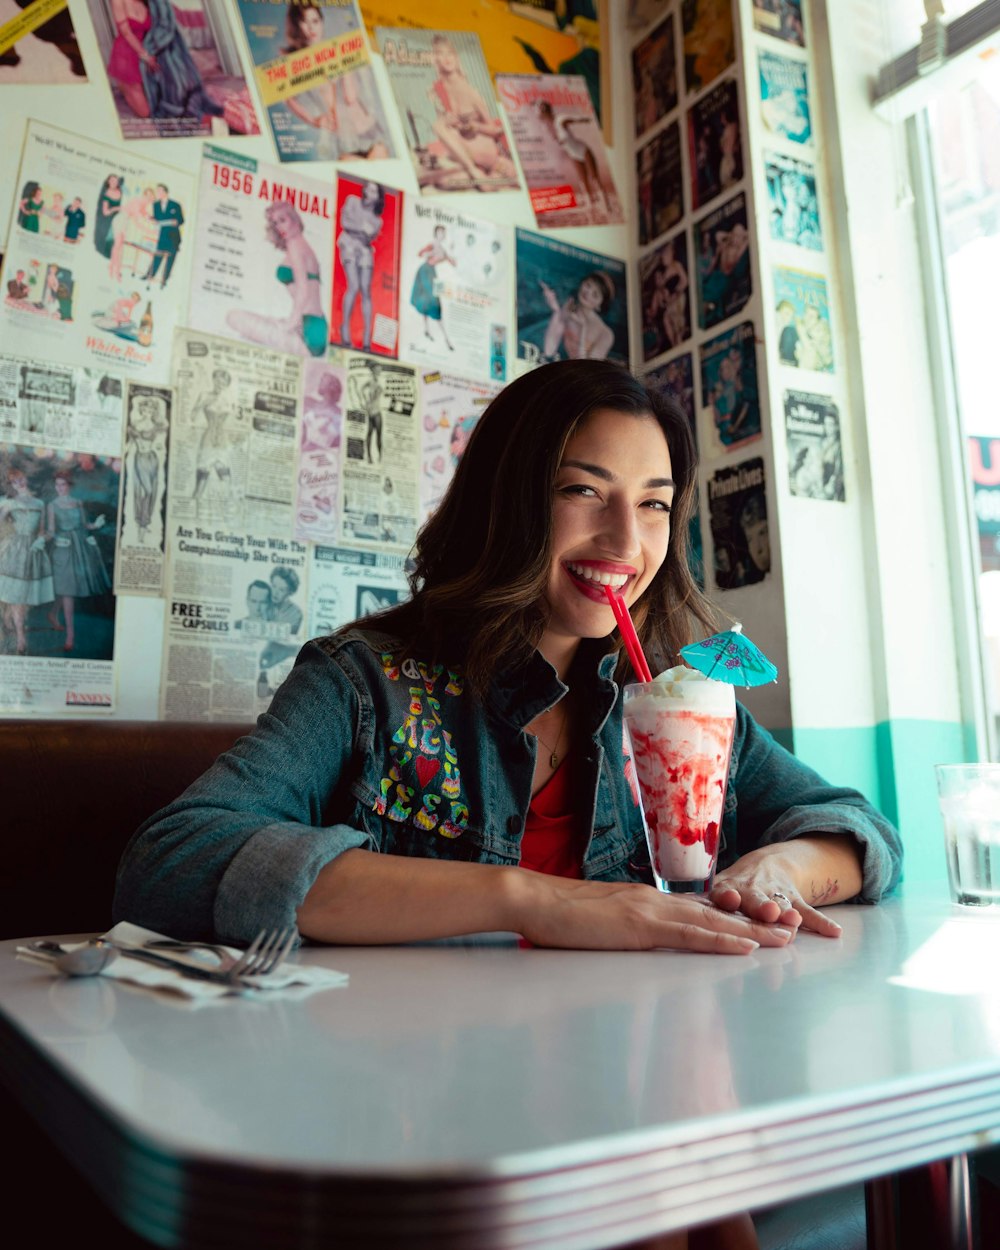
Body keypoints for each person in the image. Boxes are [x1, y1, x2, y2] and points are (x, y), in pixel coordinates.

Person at [116, 358, 901, 948]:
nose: (628, 541)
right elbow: (171, 861)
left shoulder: (669, 701)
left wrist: (779, 871)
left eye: (654, 504)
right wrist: (527, 899)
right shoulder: (365, 684)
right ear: (508, 500)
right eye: (583, 491)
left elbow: (858, 829)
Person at [282, 4, 388, 160]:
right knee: (352, 181)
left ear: (322, 22)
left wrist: (343, 68)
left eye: (315, 21)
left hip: (368, 130)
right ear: (297, 25)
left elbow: (350, 98)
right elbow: (287, 97)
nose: (311, 28)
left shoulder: (337, 51)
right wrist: (314, 120)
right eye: (304, 22)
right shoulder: (297, 62)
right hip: (342, 141)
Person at [226, 202, 328, 358]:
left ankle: (288, 330)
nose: (280, 227)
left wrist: (289, 325)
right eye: (275, 223)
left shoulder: (295, 246)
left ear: (294, 219)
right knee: (244, 319)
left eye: (283, 220)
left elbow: (304, 291)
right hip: (313, 328)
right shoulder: (301, 245)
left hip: (308, 334)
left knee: (234, 317)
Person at [425, 34, 516, 189]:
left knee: (438, 126)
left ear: (455, 57)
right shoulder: (436, 91)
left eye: (449, 53)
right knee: (442, 182)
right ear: (435, 59)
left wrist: (476, 126)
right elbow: (447, 133)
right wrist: (449, 122)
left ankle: (478, 173)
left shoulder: (471, 92)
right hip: (465, 153)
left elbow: (495, 130)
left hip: (486, 154)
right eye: (440, 53)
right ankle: (484, 177)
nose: (446, 58)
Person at [46, 472, 111, 652]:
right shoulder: (52, 505)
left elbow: (84, 525)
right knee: (68, 591)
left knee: (68, 588)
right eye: (57, 484)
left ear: (70, 486)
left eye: (63, 484)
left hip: (80, 547)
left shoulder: (78, 503)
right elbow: (51, 531)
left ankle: (52, 614)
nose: (59, 488)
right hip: (63, 548)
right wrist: (54, 538)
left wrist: (96, 525)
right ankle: (70, 636)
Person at [0, 469, 54, 656]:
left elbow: (43, 531)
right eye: (15, 482)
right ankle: (21, 638)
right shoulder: (9, 503)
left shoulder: (39, 503)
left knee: (22, 596)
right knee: (16, 595)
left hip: (33, 552)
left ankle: (10, 616)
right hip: (14, 549)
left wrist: (41, 540)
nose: (20, 483)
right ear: (11, 485)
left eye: (21, 479)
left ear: (26, 479)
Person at [535, 99, 610, 217]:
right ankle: (590, 205)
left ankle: (606, 205)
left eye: (544, 114)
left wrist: (586, 119)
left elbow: (574, 119)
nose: (544, 118)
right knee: (583, 181)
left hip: (583, 150)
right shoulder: (547, 128)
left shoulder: (560, 120)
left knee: (594, 178)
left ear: (549, 113)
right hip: (573, 154)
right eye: (542, 116)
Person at [337, 181, 384, 352]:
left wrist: (363, 232)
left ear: (378, 197)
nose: (368, 192)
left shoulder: (377, 220)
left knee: (366, 290)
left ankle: (366, 337)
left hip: (364, 249)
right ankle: (345, 328)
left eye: (373, 190)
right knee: (354, 285)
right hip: (348, 243)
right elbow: (344, 223)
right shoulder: (352, 201)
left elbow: (368, 238)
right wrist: (362, 229)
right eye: (368, 188)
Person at [190, 368, 242, 518]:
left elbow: (238, 419)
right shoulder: (204, 395)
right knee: (202, 479)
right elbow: (192, 417)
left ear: (227, 384)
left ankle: (228, 515)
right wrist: (202, 404)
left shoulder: (230, 399)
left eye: (224, 382)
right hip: (208, 440)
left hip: (222, 441)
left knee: (226, 479)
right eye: (218, 380)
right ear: (213, 379)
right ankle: (193, 513)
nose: (220, 383)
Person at [541, 271, 616, 361]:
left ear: (600, 306)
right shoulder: (569, 306)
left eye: (595, 294)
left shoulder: (606, 334)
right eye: (588, 285)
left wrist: (582, 330)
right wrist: (556, 311)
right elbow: (549, 350)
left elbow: (587, 370)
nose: (587, 293)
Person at [126, 393, 169, 542]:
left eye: (151, 411)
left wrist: (155, 398)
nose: (148, 413)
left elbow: (165, 425)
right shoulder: (135, 425)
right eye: (145, 410)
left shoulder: (156, 426)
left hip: (152, 458)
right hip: (141, 458)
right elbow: (130, 442)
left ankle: (144, 521)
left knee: (152, 492)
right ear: (141, 410)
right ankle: (142, 523)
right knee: (146, 491)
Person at [256, 566, 303, 698]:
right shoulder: (263, 603)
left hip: (277, 660)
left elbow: (281, 644)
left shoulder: (295, 613)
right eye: (274, 586)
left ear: (290, 592)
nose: (275, 592)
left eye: (281, 590)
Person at [108, 0, 155, 120]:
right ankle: (125, 86)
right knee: (145, 113)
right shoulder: (117, 1)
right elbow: (126, 33)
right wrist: (145, 55)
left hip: (145, 50)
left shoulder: (147, 2)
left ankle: (126, 87)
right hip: (126, 54)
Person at [410, 225, 455, 350]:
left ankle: (431, 332)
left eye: (443, 232)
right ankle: (446, 340)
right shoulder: (434, 244)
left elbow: (453, 262)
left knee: (433, 304)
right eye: (440, 232)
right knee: (433, 304)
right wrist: (429, 254)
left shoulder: (444, 249)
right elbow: (420, 253)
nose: (442, 234)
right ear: (436, 233)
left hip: (433, 273)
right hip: (425, 271)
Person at [143, 183, 184, 289]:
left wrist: (176, 222)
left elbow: (181, 220)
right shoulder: (155, 205)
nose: (157, 193)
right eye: (157, 191)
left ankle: (163, 281)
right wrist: (151, 219)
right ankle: (149, 275)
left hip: (174, 236)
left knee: (170, 260)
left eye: (159, 191)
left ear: (165, 192)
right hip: (162, 236)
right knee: (157, 257)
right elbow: (157, 219)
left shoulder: (175, 205)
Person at [94, 174, 123, 260]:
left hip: (119, 220)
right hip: (109, 221)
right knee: (110, 241)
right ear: (108, 181)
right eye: (112, 180)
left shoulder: (120, 191)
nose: (114, 182)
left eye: (116, 181)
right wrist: (115, 208)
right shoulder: (106, 194)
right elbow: (105, 212)